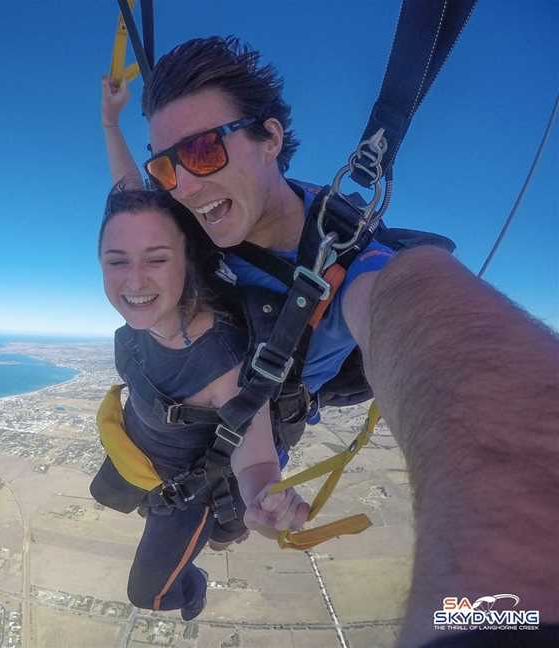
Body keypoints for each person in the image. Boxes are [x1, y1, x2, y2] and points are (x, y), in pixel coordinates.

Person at [106, 37, 559, 645]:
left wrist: (505, 616)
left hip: (234, 449)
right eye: (168, 164)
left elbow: (417, 311)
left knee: (215, 527)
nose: (182, 184)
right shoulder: (195, 209)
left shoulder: (354, 266)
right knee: (122, 488)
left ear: (269, 138)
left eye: (205, 150)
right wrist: (112, 121)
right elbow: (132, 194)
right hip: (166, 419)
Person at [95, 184, 309, 621]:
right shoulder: (147, 315)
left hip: (187, 490)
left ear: (187, 260)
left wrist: (264, 499)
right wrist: (111, 125)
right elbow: (133, 204)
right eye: (117, 261)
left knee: (149, 595)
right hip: (141, 450)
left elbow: (255, 460)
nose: (134, 281)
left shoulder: (222, 360)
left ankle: (196, 583)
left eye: (156, 259)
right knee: (104, 493)